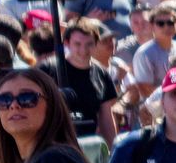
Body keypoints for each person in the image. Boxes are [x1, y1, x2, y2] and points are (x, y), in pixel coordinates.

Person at [40, 16, 119, 146]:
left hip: (88, 145)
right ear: (66, 43)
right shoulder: (48, 69)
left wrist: (114, 150)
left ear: (96, 43)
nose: (83, 50)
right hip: (53, 144)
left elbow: (106, 117)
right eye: (77, 44)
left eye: (89, 44)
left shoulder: (102, 73)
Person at [130, 1, 176, 102]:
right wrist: (175, 94)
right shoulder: (144, 53)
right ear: (151, 26)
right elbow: (145, 89)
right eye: (160, 24)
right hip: (153, 108)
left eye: (170, 23)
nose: (166, 27)